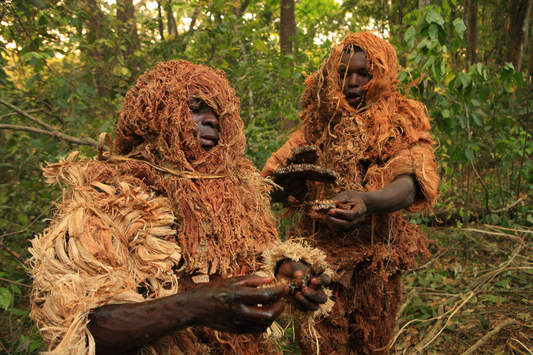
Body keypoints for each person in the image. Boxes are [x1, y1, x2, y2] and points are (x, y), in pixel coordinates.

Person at [28, 60, 331, 355]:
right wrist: (192, 307)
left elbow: (250, 264)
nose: (213, 120)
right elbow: (83, 329)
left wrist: (283, 274)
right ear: (154, 116)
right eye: (197, 109)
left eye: (218, 113)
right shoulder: (106, 199)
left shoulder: (241, 194)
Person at [261, 32, 440, 354]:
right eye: (344, 73)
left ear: (381, 76)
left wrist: (367, 201)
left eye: (363, 73)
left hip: (376, 265)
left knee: (372, 342)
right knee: (320, 344)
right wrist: (286, 187)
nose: (352, 82)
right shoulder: (317, 124)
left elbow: (410, 182)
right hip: (317, 262)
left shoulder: (400, 119)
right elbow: (271, 177)